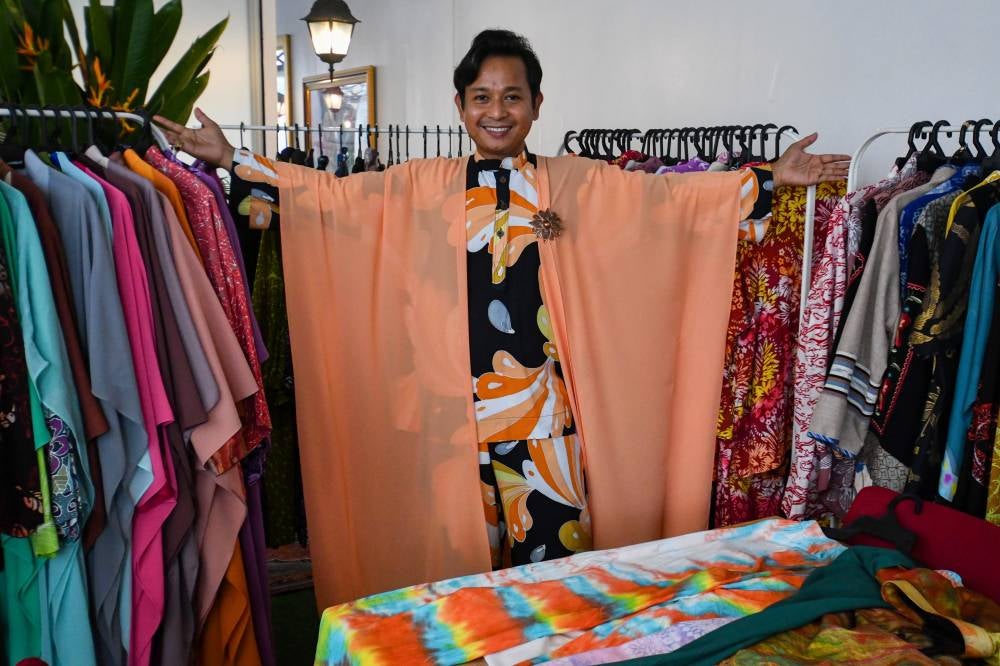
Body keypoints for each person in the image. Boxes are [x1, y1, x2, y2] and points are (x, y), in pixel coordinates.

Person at [156, 29, 850, 605]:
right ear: (459, 105)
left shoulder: (578, 183)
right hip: (447, 430)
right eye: (482, 97)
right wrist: (234, 160)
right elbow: (332, 200)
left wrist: (762, 179)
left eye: (512, 96)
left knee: (553, 580)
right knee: (459, 588)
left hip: (546, 428)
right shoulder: (419, 186)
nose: (497, 110)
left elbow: (667, 206)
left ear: (537, 104)